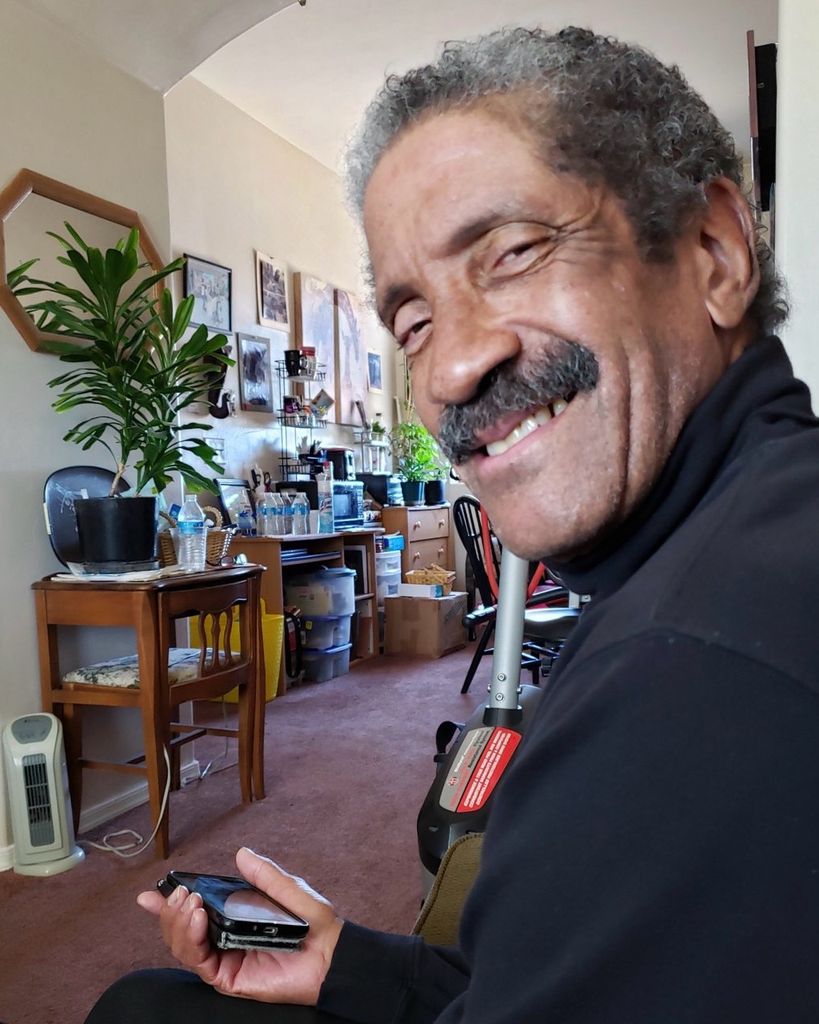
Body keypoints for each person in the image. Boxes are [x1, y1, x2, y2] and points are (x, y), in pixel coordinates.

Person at [86, 26, 819, 1024]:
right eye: (415, 323)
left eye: (512, 252)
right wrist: (346, 964)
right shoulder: (750, 518)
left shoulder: (685, 677)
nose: (451, 369)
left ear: (715, 252)